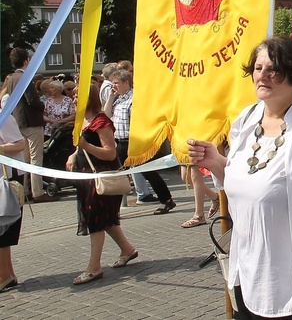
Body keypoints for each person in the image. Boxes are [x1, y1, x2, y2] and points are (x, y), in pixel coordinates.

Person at [187, 36, 292, 319]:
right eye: (258, 68)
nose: (263, 75)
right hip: (251, 275)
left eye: (273, 69)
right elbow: (247, 182)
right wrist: (217, 163)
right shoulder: (246, 120)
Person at [65, 84, 138, 285]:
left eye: (77, 96)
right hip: (86, 178)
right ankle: (128, 250)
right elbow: (81, 147)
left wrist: (85, 146)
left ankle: (94, 267)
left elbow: (110, 153)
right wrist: (74, 154)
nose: (73, 99)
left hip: (101, 177)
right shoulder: (82, 121)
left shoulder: (100, 121)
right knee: (106, 219)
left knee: (96, 221)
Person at [104, 69, 176, 215]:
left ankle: (167, 200)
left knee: (147, 172)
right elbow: (106, 114)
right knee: (116, 174)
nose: (114, 86)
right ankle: (114, 208)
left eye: (116, 83)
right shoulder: (118, 98)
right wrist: (111, 97)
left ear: (126, 83)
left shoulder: (134, 99)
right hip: (120, 141)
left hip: (133, 142)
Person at [5, 48, 56, 202]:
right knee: (36, 158)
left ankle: (25, 190)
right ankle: (37, 191)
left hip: (19, 121)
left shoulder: (11, 78)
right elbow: (32, 100)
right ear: (26, 61)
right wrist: (42, 106)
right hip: (32, 122)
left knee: (24, 159)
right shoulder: (25, 77)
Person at [0, 115, 29, 292]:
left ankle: (4, 274)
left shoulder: (4, 116)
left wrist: (1, 147)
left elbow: (19, 143)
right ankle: (7, 273)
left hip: (6, 177)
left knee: (4, 226)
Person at [180, 164, 220, 229]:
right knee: (185, 177)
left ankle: (199, 215)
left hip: (197, 155)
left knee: (195, 176)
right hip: (183, 154)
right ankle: (215, 197)